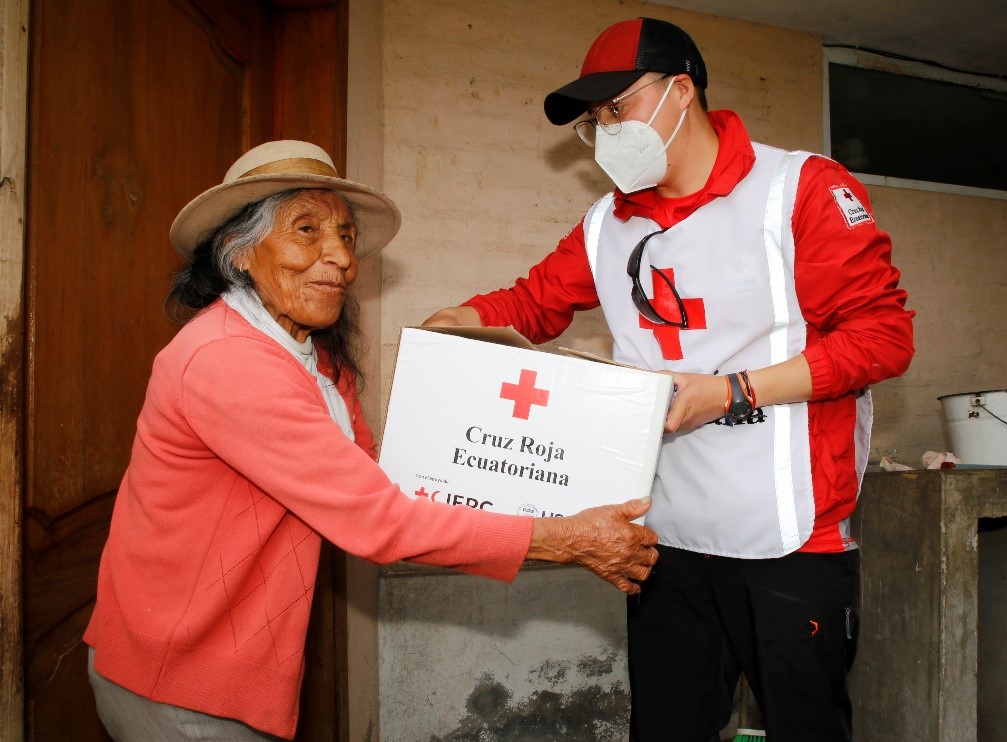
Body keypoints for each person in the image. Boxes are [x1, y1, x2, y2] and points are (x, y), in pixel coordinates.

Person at [424, 17, 915, 742]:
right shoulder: (608, 223)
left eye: (616, 109)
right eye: (595, 122)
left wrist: (733, 391)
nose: (605, 131)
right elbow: (531, 303)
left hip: (789, 537)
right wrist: (456, 323)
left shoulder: (796, 189)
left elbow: (882, 336)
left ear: (680, 91)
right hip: (663, 536)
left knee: (803, 725)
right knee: (666, 725)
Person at [83, 140, 659, 741]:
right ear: (239, 252)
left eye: (346, 235)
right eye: (306, 231)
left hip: (222, 670)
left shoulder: (314, 355)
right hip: (180, 682)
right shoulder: (228, 360)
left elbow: (378, 482)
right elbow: (378, 520)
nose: (340, 257)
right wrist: (567, 538)